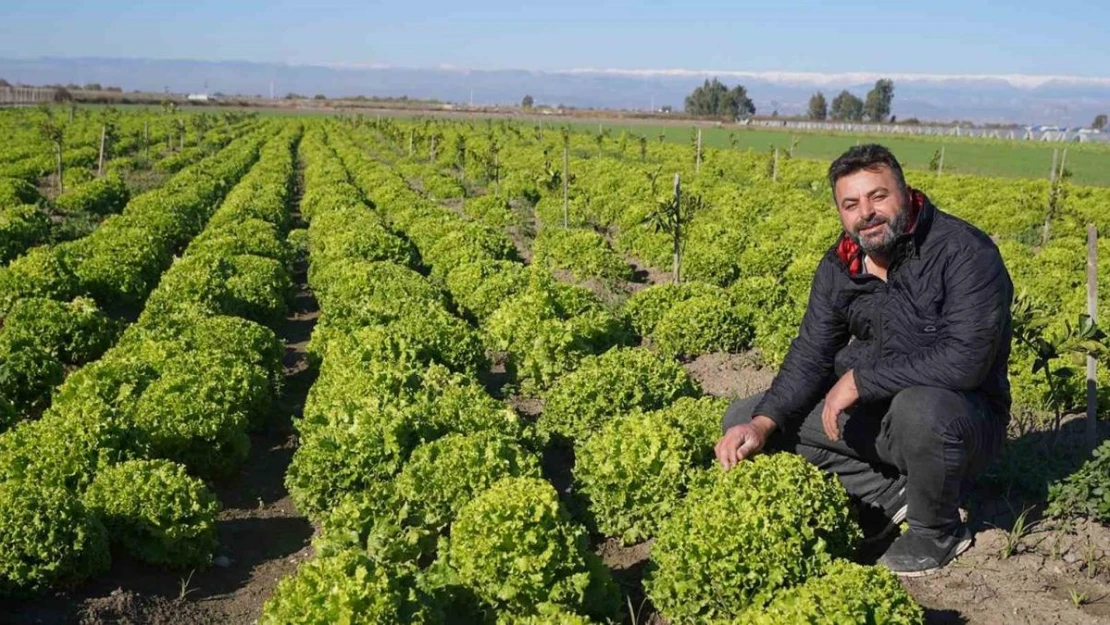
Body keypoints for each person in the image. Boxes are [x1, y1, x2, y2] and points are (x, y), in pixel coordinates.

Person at [716, 144, 1013, 577]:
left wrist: (860, 380)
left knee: (922, 409)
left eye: (878, 196)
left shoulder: (963, 252)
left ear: (905, 192)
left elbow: (966, 360)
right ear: (840, 212)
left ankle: (936, 531)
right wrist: (760, 424)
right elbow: (810, 354)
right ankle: (894, 494)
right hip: (881, 417)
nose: (866, 213)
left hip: (962, 423)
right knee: (749, 417)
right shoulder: (841, 265)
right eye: (851, 204)